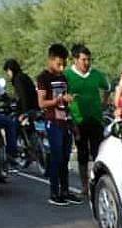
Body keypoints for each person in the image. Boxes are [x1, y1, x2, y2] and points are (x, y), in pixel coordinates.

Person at [64, 44, 111, 196]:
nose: (86, 63)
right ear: (75, 60)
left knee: (98, 153)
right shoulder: (67, 75)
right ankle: (85, 186)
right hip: (79, 120)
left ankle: (98, 183)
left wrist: (104, 103)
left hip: (96, 119)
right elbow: (61, 96)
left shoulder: (96, 74)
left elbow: (107, 87)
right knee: (82, 154)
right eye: (83, 60)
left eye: (89, 60)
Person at [37, 43, 79, 206]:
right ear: (50, 60)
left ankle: (65, 191)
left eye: (64, 64)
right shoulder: (43, 78)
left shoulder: (63, 77)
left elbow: (66, 101)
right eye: (58, 64)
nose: (61, 68)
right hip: (53, 121)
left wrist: (72, 121)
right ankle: (54, 192)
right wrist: (58, 100)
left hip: (66, 120)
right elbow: (41, 103)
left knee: (65, 158)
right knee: (56, 157)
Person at [3, 59, 39, 168]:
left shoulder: (18, 79)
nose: (8, 74)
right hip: (35, 108)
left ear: (11, 69)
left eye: (8, 71)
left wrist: (23, 113)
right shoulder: (24, 76)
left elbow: (23, 97)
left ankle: (14, 153)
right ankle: (29, 148)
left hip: (28, 109)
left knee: (13, 126)